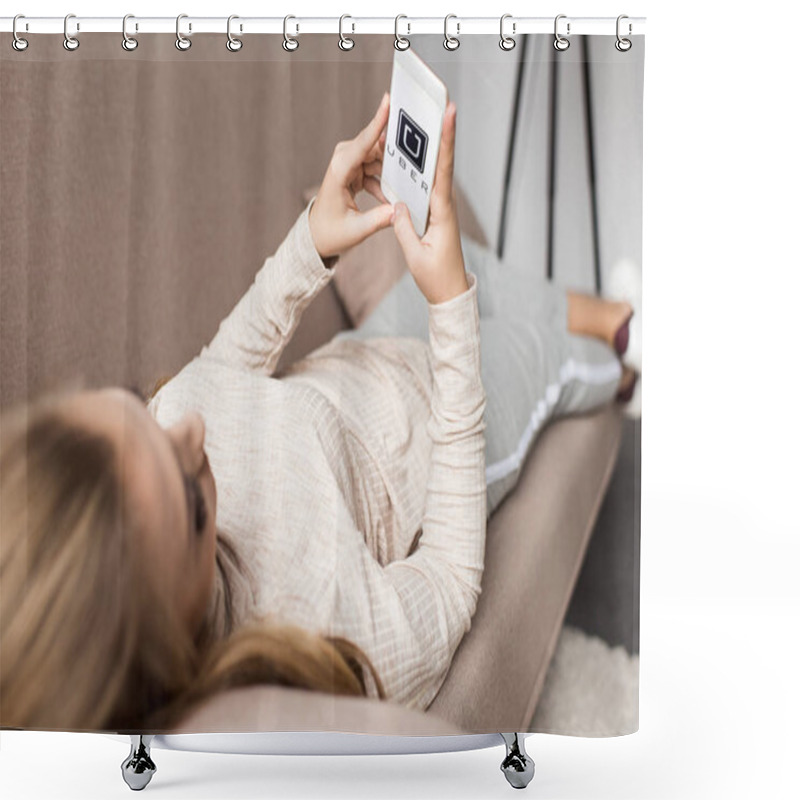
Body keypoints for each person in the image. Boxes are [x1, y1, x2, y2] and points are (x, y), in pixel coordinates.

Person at [0, 93, 636, 733]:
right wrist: (449, 311)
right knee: (554, 356)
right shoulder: (321, 624)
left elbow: (216, 379)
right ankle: (625, 363)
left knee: (471, 269)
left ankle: (610, 312)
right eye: (191, 506)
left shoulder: (161, 450)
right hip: (449, 418)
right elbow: (448, 580)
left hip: (365, 359)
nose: (189, 433)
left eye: (141, 411)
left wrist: (314, 240)